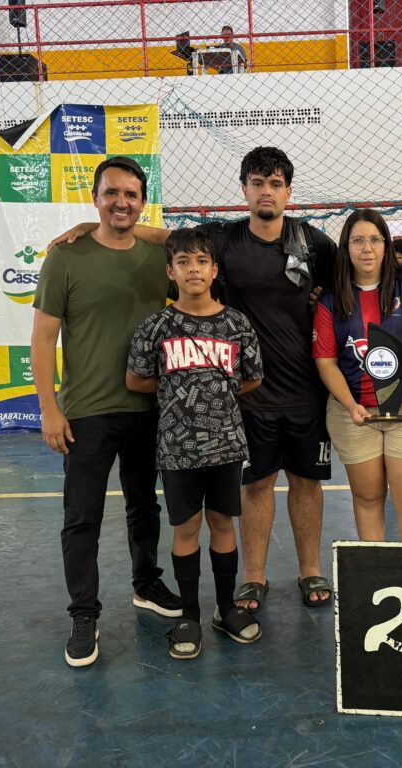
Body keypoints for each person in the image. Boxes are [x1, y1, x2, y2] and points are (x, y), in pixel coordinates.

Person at [47, 147, 336, 615]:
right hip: (244, 395)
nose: (266, 191)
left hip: (304, 389)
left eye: (276, 184)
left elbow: (342, 293)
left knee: (306, 482)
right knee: (255, 486)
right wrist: (95, 227)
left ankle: (310, 569)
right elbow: (171, 239)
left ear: (288, 191)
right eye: (257, 183)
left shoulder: (314, 243)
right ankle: (253, 578)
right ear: (244, 189)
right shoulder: (224, 239)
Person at [31, 156, 181, 669]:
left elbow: (196, 245)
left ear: (143, 202)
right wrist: (49, 409)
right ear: (95, 197)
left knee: (145, 505)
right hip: (86, 412)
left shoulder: (158, 258)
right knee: (82, 518)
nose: (121, 202)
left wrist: (139, 230)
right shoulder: (65, 258)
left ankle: (146, 584)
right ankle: (84, 614)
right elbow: (43, 339)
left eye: (131, 195)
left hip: (147, 407)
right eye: (111, 193)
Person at [126, 228, 263, 659]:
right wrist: (179, 393)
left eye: (201, 261)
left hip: (225, 445)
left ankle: (225, 609)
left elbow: (252, 377)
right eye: (183, 262)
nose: (193, 270)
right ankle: (189, 616)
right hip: (177, 447)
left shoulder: (236, 324)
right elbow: (135, 379)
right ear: (170, 271)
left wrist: (216, 395)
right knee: (185, 528)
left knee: (223, 523)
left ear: (215, 269)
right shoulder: (157, 326)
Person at [312, 210, 402, 541]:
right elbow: (326, 362)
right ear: (346, 247)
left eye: (375, 240)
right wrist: (351, 405)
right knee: (367, 499)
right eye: (358, 241)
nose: (367, 248)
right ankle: (375, 569)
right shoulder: (330, 300)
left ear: (385, 245)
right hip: (355, 414)